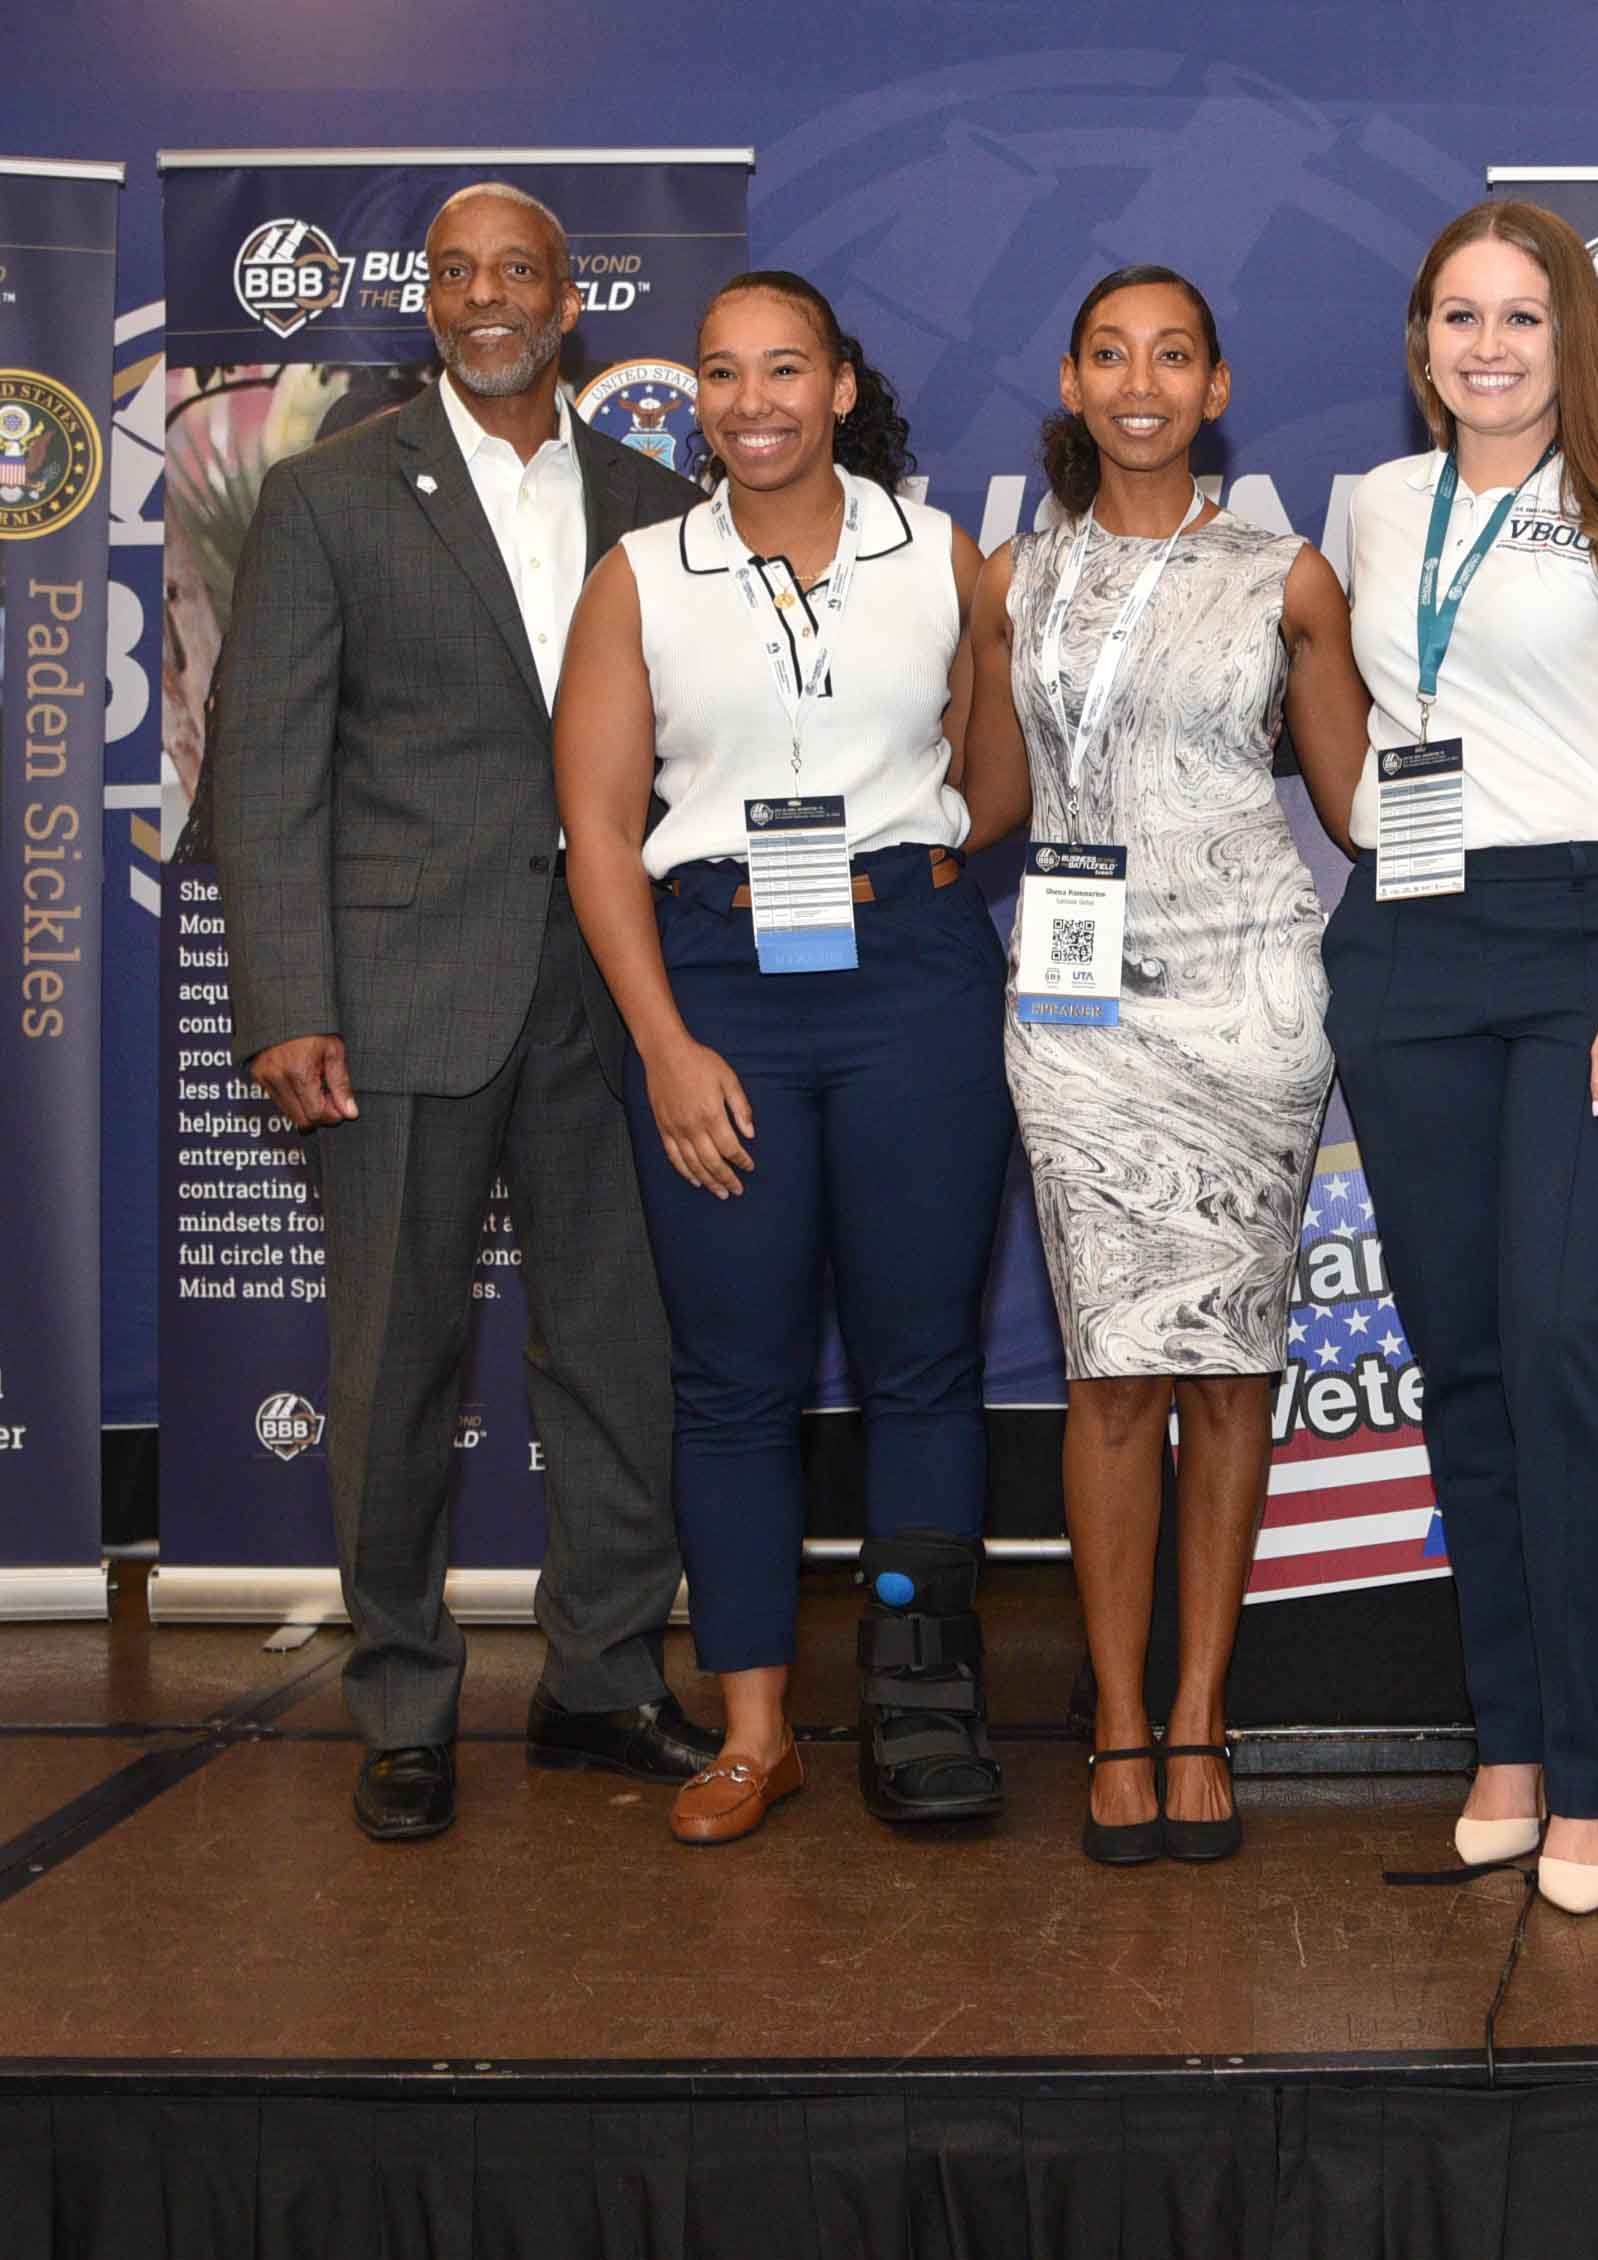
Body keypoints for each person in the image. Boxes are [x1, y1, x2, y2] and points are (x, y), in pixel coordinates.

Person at [210, 182, 717, 1842]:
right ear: (423, 300)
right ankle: (407, 1704)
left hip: (611, 996)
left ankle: (600, 1678)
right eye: (453, 273)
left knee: (620, 1356)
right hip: (397, 992)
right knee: (394, 1364)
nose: (483, 297)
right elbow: (264, 767)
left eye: (516, 271)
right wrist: (285, 995)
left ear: (570, 300)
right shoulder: (331, 495)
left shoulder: (658, 502)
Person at [554, 270, 1014, 1846]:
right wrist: (667, 1047)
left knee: (923, 1365)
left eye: (783, 371)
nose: (751, 402)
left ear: (837, 388)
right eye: (721, 375)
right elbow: (600, 837)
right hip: (715, 989)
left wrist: (921, 878)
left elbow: (991, 772)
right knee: (736, 1381)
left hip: (912, 984)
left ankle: (920, 1705)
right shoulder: (640, 575)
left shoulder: (937, 556)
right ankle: (756, 1733)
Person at [1330, 200, 1598, 1915]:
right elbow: (1340, 688)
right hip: (1406, 937)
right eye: (1455, 317)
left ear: (1569, 338)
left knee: (1568, 1341)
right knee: (1469, 1359)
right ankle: (1503, 1735)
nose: (1485, 347)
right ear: (1420, 342)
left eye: (1517, 318)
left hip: (1588, 944)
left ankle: (1585, 1775)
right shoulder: (1369, 510)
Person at [966, 265, 1369, 1865]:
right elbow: (985, 801)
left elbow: (1355, 807)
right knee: (1112, 1368)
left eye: (1175, 356)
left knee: (1228, 1369)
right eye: (1112, 354)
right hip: (1080, 1015)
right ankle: (1114, 1720)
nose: (1142, 381)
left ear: (1216, 388)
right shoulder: (1013, 583)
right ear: (1071, 380)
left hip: (1255, 995)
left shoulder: (1291, 578)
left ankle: (1202, 1712)